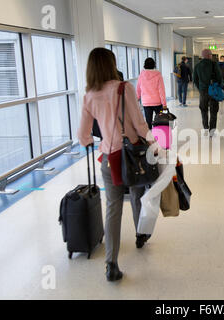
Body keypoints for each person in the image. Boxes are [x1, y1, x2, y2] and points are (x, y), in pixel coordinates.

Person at [78, 48, 158, 282]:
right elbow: (139, 124)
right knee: (136, 193)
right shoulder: (124, 88)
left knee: (113, 207)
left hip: (109, 158)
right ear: (111, 64)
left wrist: (99, 140)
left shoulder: (89, 95)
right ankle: (140, 234)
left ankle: (111, 263)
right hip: (131, 155)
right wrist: (154, 143)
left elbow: (83, 135)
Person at [193, 49, 223, 137]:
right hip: (213, 91)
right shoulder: (214, 64)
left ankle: (205, 127)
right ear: (210, 55)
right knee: (214, 111)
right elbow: (219, 77)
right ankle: (212, 131)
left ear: (202, 56)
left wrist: (200, 88)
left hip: (203, 91)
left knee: (203, 109)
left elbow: (195, 79)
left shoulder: (197, 66)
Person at [136, 57, 167, 129]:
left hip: (146, 102)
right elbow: (161, 90)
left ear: (145, 65)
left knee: (148, 122)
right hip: (157, 102)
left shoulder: (141, 75)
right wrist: (164, 104)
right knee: (160, 121)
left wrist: (137, 98)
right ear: (154, 65)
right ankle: (159, 136)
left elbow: (138, 89)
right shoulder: (158, 75)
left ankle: (150, 137)